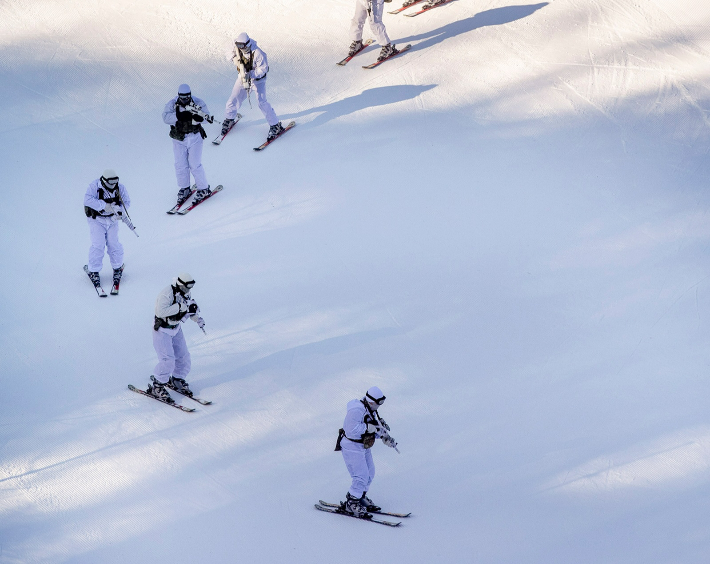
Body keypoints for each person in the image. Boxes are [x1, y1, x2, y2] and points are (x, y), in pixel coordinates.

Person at [335, 386, 398, 517]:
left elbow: (374, 428)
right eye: (379, 402)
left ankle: (360, 497)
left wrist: (384, 436)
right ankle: (351, 503)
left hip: (363, 445)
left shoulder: (371, 410)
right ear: (371, 401)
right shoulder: (356, 410)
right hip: (351, 445)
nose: (380, 406)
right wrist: (369, 428)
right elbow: (351, 429)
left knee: (370, 473)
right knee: (360, 476)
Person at [148, 273, 206, 404]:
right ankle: (157, 386)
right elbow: (160, 312)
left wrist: (196, 318)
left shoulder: (186, 293)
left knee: (183, 356)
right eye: (187, 287)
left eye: (191, 287)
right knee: (167, 360)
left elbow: (189, 308)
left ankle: (177, 379)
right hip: (162, 330)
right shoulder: (166, 294)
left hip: (176, 328)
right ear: (180, 284)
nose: (189, 290)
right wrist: (180, 307)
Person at [222, 33, 284, 141]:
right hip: (242, 78)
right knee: (234, 98)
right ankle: (229, 118)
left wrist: (251, 74)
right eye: (239, 46)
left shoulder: (259, 53)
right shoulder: (237, 45)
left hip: (258, 81)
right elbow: (228, 48)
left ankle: (275, 125)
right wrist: (235, 59)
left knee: (262, 102)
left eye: (242, 46)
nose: (240, 48)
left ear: (248, 44)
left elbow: (263, 69)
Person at [162, 84, 212, 207]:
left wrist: (195, 117)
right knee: (180, 164)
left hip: (195, 137)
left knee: (195, 164)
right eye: (182, 97)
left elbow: (206, 117)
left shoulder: (198, 102)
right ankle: (184, 188)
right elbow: (165, 117)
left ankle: (203, 188)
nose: (184, 100)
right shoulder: (172, 104)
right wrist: (178, 116)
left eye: (186, 97)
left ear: (190, 95)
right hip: (179, 139)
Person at [83, 169, 130, 289]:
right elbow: (87, 200)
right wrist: (104, 206)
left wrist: (119, 212)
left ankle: (117, 267)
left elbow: (127, 202)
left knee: (114, 243)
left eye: (115, 182)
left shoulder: (120, 188)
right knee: (98, 244)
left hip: (112, 220)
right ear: (104, 181)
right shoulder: (94, 186)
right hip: (97, 220)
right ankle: (93, 270)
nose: (113, 185)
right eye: (111, 182)